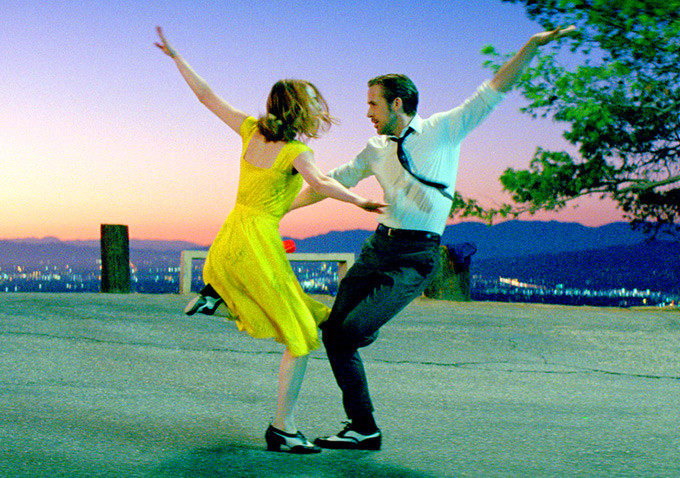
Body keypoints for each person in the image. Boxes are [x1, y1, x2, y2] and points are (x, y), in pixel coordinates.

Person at [290, 26, 576, 450]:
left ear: (397, 103)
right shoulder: (375, 148)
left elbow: (493, 90)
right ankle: (363, 426)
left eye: (373, 103)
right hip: (377, 247)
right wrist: (281, 208)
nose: (367, 112)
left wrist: (530, 47)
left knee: (350, 332)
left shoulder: (444, 130)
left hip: (416, 255)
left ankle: (363, 365)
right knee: (333, 333)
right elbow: (334, 180)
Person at [154, 27, 386, 454]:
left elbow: (206, 96)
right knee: (301, 335)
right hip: (259, 242)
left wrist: (176, 57)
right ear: (299, 109)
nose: (318, 109)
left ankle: (220, 296)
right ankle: (283, 428)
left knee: (303, 318)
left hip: (231, 237)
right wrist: (359, 201)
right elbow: (320, 183)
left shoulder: (250, 131)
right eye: (312, 103)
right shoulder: (297, 153)